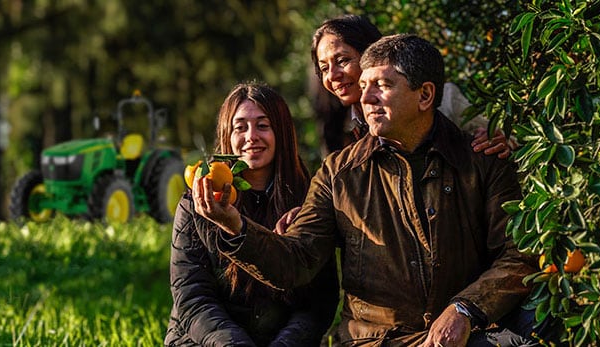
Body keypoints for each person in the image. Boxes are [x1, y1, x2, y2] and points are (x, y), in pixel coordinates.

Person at [195, 34, 535, 346]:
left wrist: (465, 309)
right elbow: (295, 262)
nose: (366, 97)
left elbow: (519, 254)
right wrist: (235, 226)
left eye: (383, 85)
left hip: (462, 335)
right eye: (364, 84)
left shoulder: (483, 161)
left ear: (425, 95)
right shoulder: (338, 173)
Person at [165, 82, 338, 347]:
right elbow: (192, 297)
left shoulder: (309, 201)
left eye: (263, 125)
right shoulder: (197, 203)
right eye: (240, 127)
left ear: (281, 132)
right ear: (227, 134)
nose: (251, 136)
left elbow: (319, 302)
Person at [311, 14, 516, 158]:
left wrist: (502, 142)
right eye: (324, 68)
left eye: (342, 61)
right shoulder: (337, 127)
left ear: (370, 54)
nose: (333, 75)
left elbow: (502, 143)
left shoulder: (444, 100)